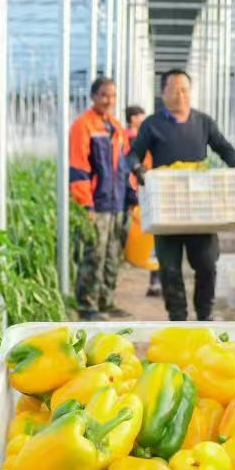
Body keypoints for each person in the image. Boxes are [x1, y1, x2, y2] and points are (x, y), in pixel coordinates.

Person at [126, 70, 235, 321]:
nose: (180, 95)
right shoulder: (152, 125)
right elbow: (132, 154)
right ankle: (178, 318)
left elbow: (224, 148)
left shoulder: (203, 122)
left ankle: (205, 315)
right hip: (166, 208)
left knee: (207, 264)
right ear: (163, 93)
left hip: (200, 207)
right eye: (174, 90)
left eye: (185, 90)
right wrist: (138, 169)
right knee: (169, 268)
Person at [68, 77, 132, 320]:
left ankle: (106, 301)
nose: (109, 100)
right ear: (93, 96)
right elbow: (78, 169)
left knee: (112, 253)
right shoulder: (83, 126)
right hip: (96, 203)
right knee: (94, 253)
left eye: (113, 96)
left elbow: (122, 166)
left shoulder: (115, 126)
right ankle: (87, 305)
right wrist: (86, 204)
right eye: (104, 95)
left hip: (116, 202)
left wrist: (129, 197)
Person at [123, 105, 162, 299]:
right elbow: (129, 167)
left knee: (152, 238)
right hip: (138, 191)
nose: (143, 118)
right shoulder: (129, 137)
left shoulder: (141, 137)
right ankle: (154, 280)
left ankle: (155, 281)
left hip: (143, 188)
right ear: (132, 118)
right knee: (150, 238)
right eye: (139, 115)